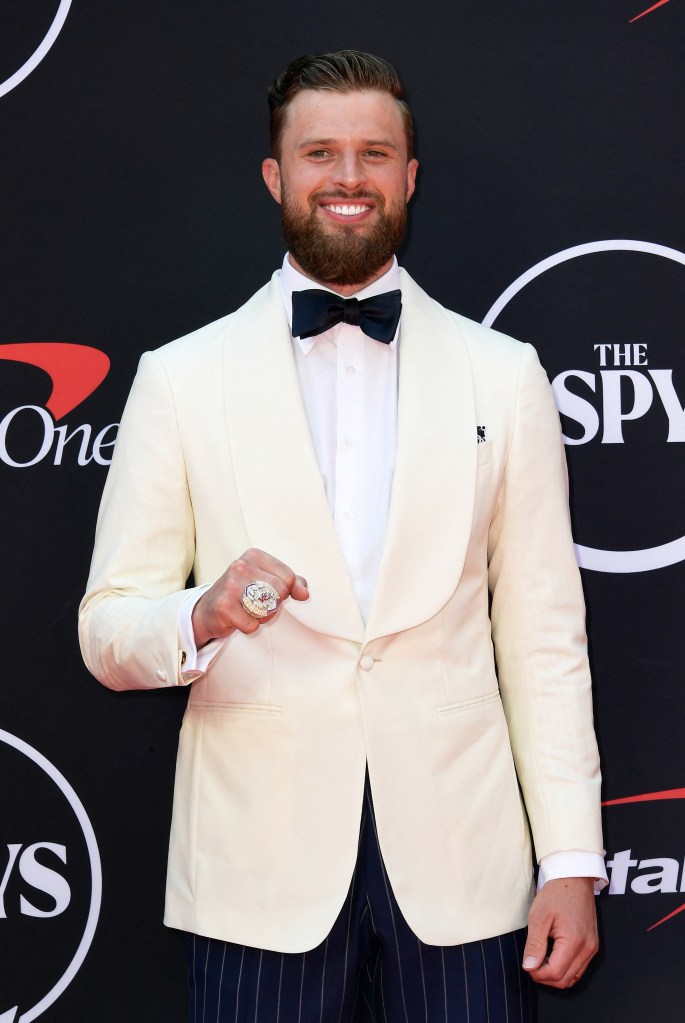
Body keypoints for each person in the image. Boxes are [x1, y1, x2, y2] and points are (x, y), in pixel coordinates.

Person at [79, 50, 606, 1022]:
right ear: (277, 177)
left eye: (375, 153)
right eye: (320, 152)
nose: (348, 178)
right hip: (255, 878)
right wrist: (205, 609)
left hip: (464, 875)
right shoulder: (181, 379)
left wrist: (570, 861)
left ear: (410, 175)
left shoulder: (505, 374)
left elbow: (542, 640)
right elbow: (108, 629)